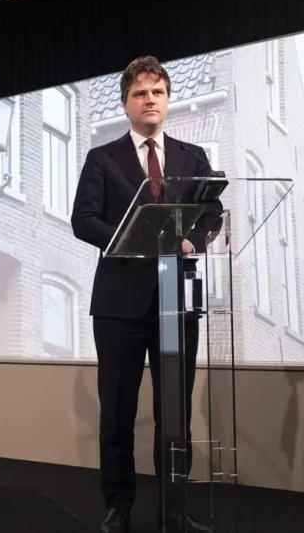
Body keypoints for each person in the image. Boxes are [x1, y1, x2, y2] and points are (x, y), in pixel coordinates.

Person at [70, 56, 221, 533]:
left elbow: (213, 213)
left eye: (156, 92)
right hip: (118, 305)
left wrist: (194, 242)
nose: (149, 100)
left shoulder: (193, 156)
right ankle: (118, 507)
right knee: (117, 411)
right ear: (125, 103)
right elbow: (83, 219)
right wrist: (130, 237)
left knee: (174, 413)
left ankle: (174, 507)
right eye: (140, 94)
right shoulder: (103, 158)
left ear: (168, 100)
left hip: (177, 301)